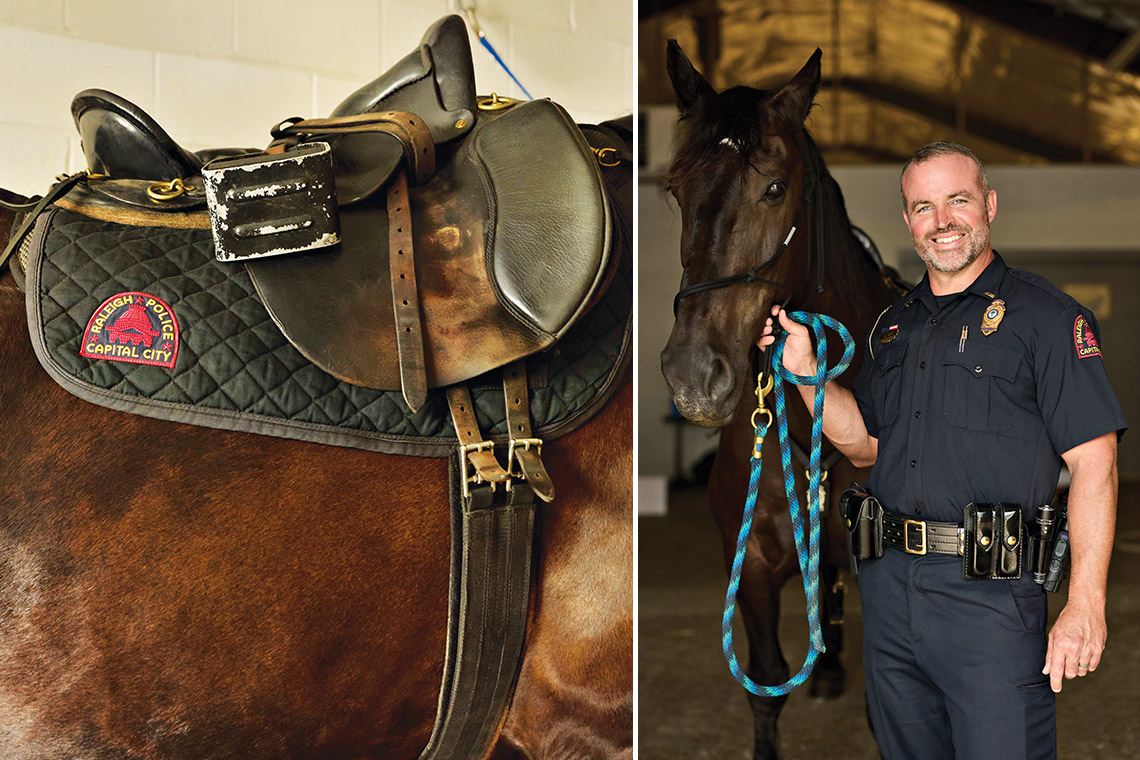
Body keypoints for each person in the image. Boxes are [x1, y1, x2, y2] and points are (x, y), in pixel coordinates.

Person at [758, 141, 1126, 760]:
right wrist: (806, 375)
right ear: (908, 221)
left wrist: (1086, 603)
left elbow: (1096, 464)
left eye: (958, 200)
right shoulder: (893, 327)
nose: (943, 221)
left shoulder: (1047, 319)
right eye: (924, 207)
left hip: (991, 601)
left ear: (989, 205)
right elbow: (864, 445)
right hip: (889, 594)